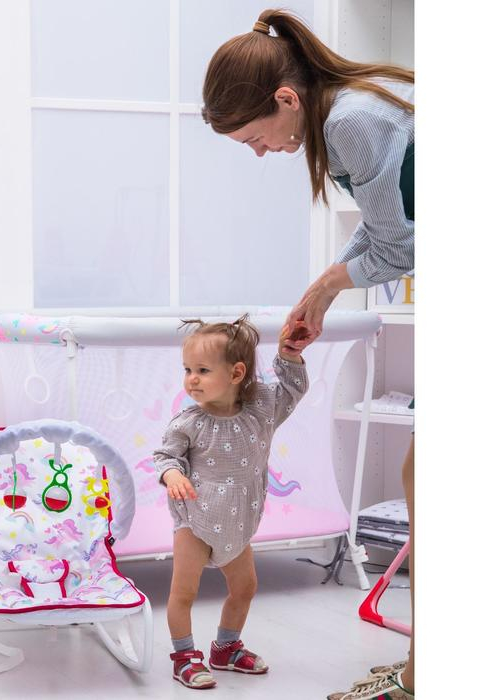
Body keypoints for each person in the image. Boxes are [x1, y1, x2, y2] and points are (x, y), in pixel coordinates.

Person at [201, 9, 414, 699]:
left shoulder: (350, 120)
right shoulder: (350, 107)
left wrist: (324, 287)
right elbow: (383, 229)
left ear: (287, 99)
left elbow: (401, 249)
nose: (260, 153)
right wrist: (321, 291)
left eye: (254, 138)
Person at [153, 315, 308, 689]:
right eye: (188, 370)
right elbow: (165, 456)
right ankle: (184, 656)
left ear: (237, 373)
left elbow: (292, 389)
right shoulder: (188, 422)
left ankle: (225, 648)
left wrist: (290, 355)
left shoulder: (261, 410)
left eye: (202, 370)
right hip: (195, 521)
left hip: (237, 523)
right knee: (183, 593)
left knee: (245, 587)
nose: (192, 379)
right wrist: (173, 475)